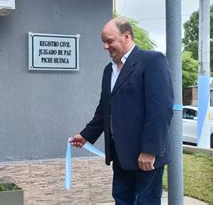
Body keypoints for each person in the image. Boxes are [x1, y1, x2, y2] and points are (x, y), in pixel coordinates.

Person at [70, 18, 173, 204]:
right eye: (103, 42)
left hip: (146, 156)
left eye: (109, 41)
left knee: (146, 201)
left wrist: (149, 150)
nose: (105, 46)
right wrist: (86, 135)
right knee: (121, 200)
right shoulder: (108, 70)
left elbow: (160, 110)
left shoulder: (151, 61)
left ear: (126, 36)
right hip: (120, 154)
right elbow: (105, 109)